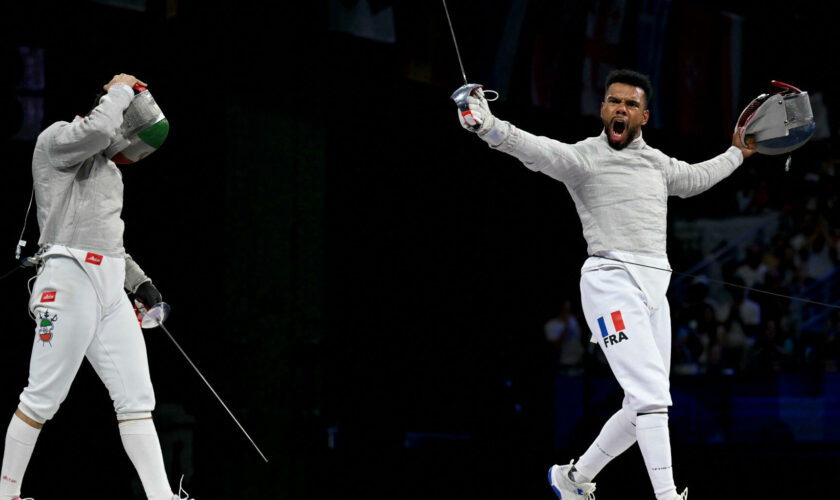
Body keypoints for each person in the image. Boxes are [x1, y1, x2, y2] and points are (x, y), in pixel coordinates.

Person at [457, 69, 756, 500]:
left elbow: (695, 179)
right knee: (653, 395)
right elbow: (534, 149)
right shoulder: (584, 159)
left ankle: (573, 478)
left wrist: (737, 153)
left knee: (640, 408)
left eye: (630, 104)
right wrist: (486, 125)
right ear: (602, 109)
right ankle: (668, 496)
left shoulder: (657, 163)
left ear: (644, 116)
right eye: (614, 101)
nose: (621, 109)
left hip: (655, 292)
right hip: (610, 283)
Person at [0, 74, 190, 500]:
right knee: (42, 398)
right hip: (68, 279)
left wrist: (141, 284)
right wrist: (120, 89)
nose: (129, 154)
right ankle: (7, 495)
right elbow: (101, 129)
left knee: (137, 397)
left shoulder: (108, 171)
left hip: (107, 287)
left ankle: (162, 497)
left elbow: (111, 246)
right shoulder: (56, 140)